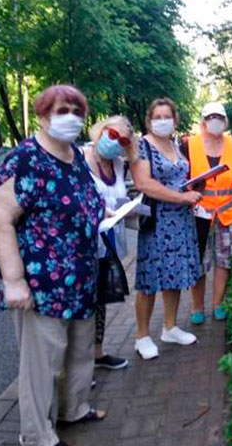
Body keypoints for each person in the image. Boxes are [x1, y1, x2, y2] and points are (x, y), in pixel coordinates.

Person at [0, 85, 106, 446]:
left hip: (82, 280)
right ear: (42, 116)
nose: (70, 116)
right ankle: (37, 435)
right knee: (43, 365)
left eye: (76, 109)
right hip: (42, 285)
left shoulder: (74, 156)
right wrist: (14, 280)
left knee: (80, 352)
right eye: (60, 109)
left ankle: (75, 408)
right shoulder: (25, 160)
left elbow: (80, 204)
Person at [130, 97, 202, 360]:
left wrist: (192, 190)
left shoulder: (175, 144)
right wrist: (181, 197)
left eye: (167, 116)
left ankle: (170, 327)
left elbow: (179, 177)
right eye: (157, 117)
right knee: (149, 279)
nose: (162, 121)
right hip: (158, 221)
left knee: (176, 274)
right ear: (149, 120)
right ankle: (142, 336)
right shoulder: (142, 145)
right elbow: (143, 183)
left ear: (175, 119)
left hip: (181, 221)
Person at [82, 116, 137, 370]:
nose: (116, 143)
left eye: (124, 140)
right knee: (82, 303)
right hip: (79, 246)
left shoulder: (117, 165)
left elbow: (120, 198)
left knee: (100, 298)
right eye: (113, 135)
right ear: (101, 130)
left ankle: (97, 353)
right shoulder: (78, 159)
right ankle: (75, 366)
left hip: (106, 242)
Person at [183, 101, 232, 324]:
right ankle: (196, 307)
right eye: (210, 117)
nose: (215, 121)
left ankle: (218, 304)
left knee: (224, 261)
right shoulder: (189, 145)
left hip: (230, 213)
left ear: (225, 121)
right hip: (198, 214)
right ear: (203, 121)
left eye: (219, 117)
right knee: (198, 262)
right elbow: (182, 179)